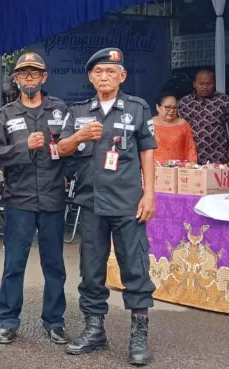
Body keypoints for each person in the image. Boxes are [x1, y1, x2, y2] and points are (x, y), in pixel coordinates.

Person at [57, 48, 157, 366]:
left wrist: (149, 194)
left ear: (122, 76)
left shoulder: (137, 108)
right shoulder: (78, 111)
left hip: (128, 203)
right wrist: (79, 136)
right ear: (90, 77)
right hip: (91, 203)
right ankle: (94, 329)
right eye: (98, 72)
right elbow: (61, 148)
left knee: (135, 267)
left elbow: (148, 152)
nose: (104, 77)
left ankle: (138, 337)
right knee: (91, 270)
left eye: (111, 72)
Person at [0, 52, 69, 345]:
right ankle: (7, 320)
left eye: (34, 73)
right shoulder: (6, 114)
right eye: (23, 74)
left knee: (54, 265)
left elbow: (73, 149)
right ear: (16, 79)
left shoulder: (60, 110)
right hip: (19, 200)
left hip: (52, 199)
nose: (29, 78)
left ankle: (55, 321)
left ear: (44, 77)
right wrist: (24, 147)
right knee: (14, 264)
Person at [178, 69, 229, 164]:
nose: (205, 87)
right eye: (201, 84)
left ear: (214, 84)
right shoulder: (184, 103)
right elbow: (175, 126)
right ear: (194, 84)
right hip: (190, 158)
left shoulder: (224, 101)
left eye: (209, 84)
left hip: (218, 157)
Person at [152, 92, 198, 163]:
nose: (171, 111)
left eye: (174, 107)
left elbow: (190, 149)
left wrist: (192, 165)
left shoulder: (183, 124)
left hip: (179, 167)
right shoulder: (149, 124)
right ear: (158, 107)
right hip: (155, 167)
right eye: (168, 107)